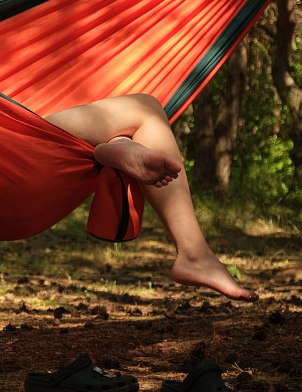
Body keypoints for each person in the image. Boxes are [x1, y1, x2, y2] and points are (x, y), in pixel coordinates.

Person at [45, 93, 258, 302]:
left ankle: (120, 142)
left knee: (127, 115)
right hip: (15, 133)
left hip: (24, 129)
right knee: (145, 109)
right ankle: (194, 254)